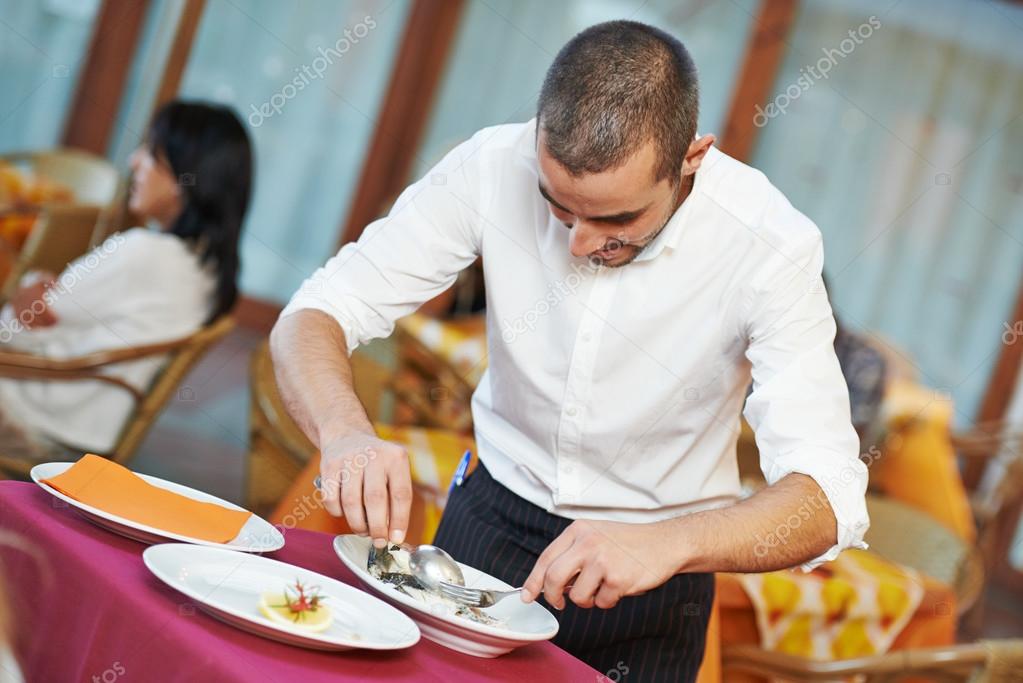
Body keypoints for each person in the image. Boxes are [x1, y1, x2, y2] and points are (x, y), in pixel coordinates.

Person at [271, 21, 869, 681]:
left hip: (654, 580)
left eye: (615, 220)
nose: (579, 245)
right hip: (484, 530)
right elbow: (315, 311)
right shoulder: (491, 166)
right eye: (558, 209)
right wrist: (343, 428)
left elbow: (831, 493)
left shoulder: (769, 243)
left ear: (690, 159)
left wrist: (673, 542)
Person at [0, 101, 252, 476]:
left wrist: (27, 285)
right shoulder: (204, 270)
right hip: (79, 430)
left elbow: (16, 329)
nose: (134, 161)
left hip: (31, 419)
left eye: (151, 153)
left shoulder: (143, 252)